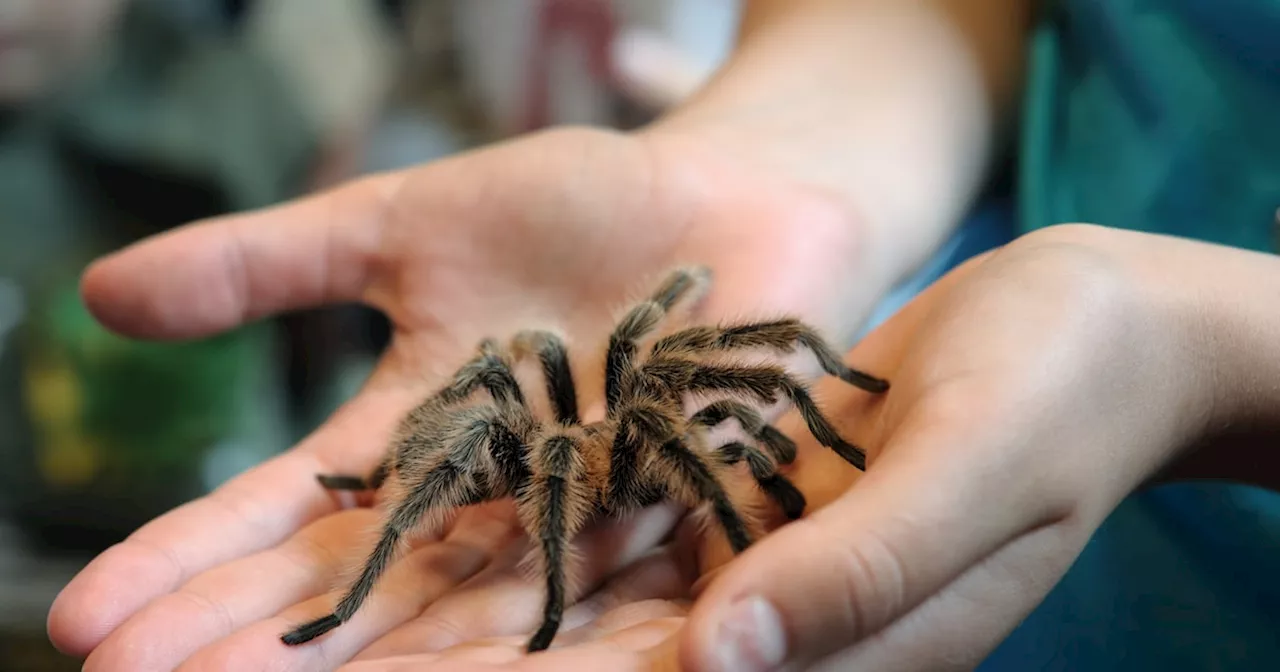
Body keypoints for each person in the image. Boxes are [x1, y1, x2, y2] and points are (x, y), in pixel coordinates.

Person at [44, 1, 1280, 671]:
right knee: (503, 399)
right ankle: (373, 530)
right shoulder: (553, 445)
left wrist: (1202, 359)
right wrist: (778, 155)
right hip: (984, 517)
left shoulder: (651, 421)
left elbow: (729, 403)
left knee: (696, 404)